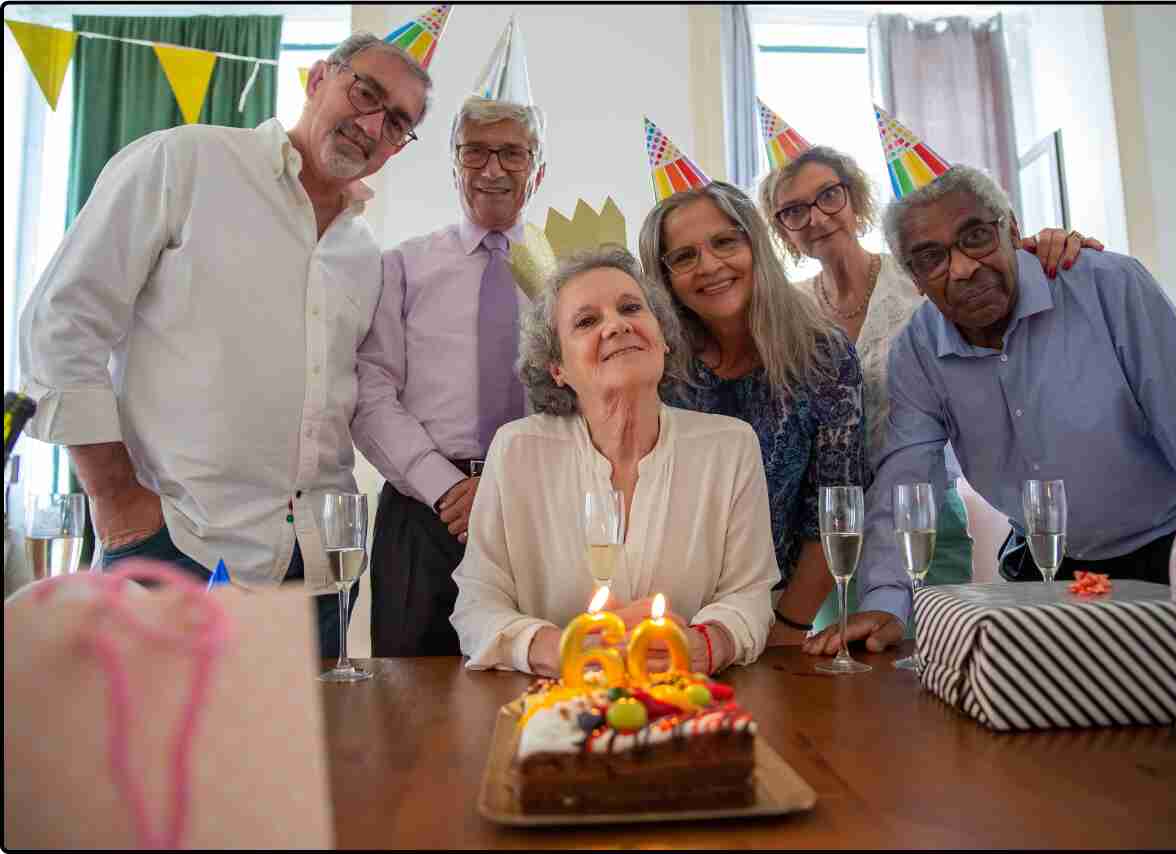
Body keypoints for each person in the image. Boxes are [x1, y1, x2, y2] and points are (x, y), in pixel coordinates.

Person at [17, 31, 431, 656]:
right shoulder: (184, 163)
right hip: (176, 549)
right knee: (150, 752)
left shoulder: (363, 256)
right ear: (319, 78)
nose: (371, 124)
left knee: (298, 754)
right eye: (364, 93)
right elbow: (60, 321)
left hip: (315, 578)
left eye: (396, 123)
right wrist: (116, 498)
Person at [805, 164, 1176, 655]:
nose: (961, 267)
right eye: (931, 258)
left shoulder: (1109, 286)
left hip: (1169, 552)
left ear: (1012, 230)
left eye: (976, 237)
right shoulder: (916, 351)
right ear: (915, 278)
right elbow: (907, 481)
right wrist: (886, 601)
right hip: (1045, 568)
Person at [757, 143, 1099, 633]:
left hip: (922, 512)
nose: (815, 217)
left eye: (828, 196)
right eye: (793, 210)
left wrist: (1056, 246)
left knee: (932, 661)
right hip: (829, 530)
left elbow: (1007, 283)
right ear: (782, 230)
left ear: (854, 198)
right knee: (843, 674)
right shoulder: (788, 312)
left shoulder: (925, 274)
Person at [450, 247, 778, 675]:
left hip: (687, 705)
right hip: (553, 709)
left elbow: (750, 594)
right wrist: (560, 647)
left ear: (661, 337)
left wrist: (705, 644)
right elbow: (477, 603)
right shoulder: (516, 450)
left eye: (630, 308)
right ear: (558, 368)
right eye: (587, 321)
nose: (617, 325)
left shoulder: (730, 446)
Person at [352, 27, 547, 656]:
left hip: (539, 506)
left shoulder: (567, 273)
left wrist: (515, 486)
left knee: (537, 681)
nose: (493, 169)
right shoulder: (400, 267)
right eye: (474, 152)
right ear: (452, 165)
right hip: (424, 511)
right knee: (411, 703)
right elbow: (371, 393)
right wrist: (446, 487)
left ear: (536, 171)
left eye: (512, 154)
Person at [637, 181, 889, 648]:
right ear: (664, 276)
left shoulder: (823, 357)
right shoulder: (655, 363)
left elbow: (831, 511)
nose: (710, 266)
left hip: (775, 614)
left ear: (755, 244)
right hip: (655, 614)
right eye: (684, 256)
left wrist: (788, 628)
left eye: (725, 242)